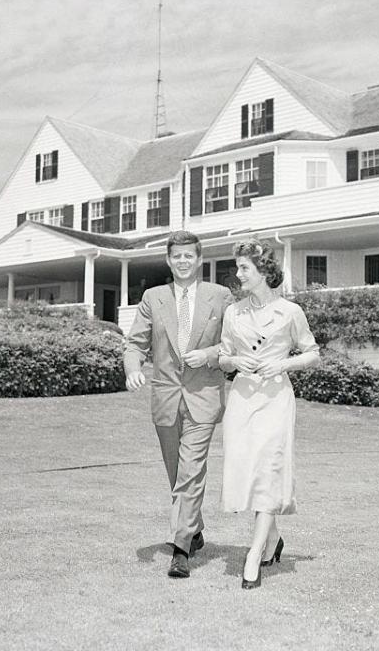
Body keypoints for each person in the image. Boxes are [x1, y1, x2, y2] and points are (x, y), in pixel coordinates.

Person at [124, 230, 233, 579]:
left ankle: (181, 547)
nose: (183, 261)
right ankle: (194, 528)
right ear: (169, 261)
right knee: (176, 474)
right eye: (177, 256)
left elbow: (234, 343)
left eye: (189, 256)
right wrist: (132, 370)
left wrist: (211, 354)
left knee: (191, 470)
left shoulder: (220, 296)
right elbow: (135, 343)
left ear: (199, 260)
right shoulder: (152, 297)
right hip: (166, 396)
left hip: (204, 397)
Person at [218, 239, 320, 589]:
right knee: (248, 471)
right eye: (238, 267)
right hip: (243, 398)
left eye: (245, 267)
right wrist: (234, 361)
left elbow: (312, 354)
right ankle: (274, 539)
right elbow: (223, 356)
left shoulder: (290, 312)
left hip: (276, 398)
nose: (238, 273)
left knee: (270, 469)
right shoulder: (234, 312)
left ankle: (255, 553)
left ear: (263, 270)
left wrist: (282, 363)